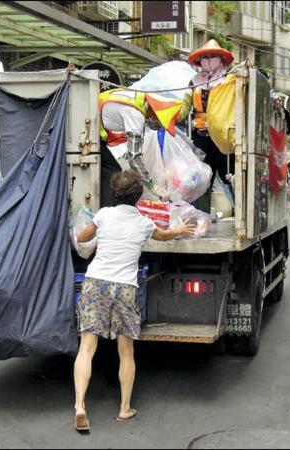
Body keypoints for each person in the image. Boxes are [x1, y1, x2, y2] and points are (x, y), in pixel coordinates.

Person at [73, 171, 195, 432]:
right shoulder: (144, 223)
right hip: (125, 287)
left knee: (86, 347)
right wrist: (179, 229)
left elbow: (82, 238)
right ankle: (124, 408)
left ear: (114, 193)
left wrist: (88, 228)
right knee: (126, 351)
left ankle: (80, 405)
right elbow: (164, 236)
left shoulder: (103, 215)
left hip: (97, 282)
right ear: (138, 197)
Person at [99, 88, 183, 204]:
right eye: (160, 122)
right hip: (88, 131)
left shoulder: (138, 99)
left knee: (112, 170)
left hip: (93, 129)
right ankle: (109, 212)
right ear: (155, 115)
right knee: (111, 173)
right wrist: (154, 187)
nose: (158, 126)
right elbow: (134, 158)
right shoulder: (136, 114)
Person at [188, 39, 234, 212]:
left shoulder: (229, 78)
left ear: (221, 59)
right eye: (205, 57)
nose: (208, 60)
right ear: (200, 61)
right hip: (200, 137)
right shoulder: (194, 81)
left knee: (229, 176)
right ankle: (201, 217)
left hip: (223, 136)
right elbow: (185, 105)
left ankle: (241, 215)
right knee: (201, 179)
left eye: (213, 56)